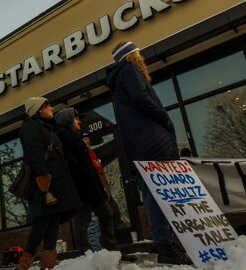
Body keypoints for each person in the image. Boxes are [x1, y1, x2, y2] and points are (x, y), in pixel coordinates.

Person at [106, 41, 192, 265]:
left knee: (156, 193)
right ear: (132, 55)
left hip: (141, 144)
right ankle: (166, 246)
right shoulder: (129, 70)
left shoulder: (119, 78)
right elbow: (142, 99)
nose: (141, 55)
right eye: (138, 52)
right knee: (158, 195)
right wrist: (164, 118)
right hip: (152, 143)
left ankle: (168, 244)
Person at [55, 108, 134, 262]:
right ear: (68, 120)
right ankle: (86, 254)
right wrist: (84, 176)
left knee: (107, 214)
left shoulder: (77, 137)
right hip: (81, 190)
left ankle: (111, 250)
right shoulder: (63, 137)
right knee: (82, 222)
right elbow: (70, 163)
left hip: (93, 189)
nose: (79, 122)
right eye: (76, 119)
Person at [17, 97, 82, 270]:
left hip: (56, 182)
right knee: (42, 222)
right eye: (48, 106)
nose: (52, 108)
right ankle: (23, 265)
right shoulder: (31, 126)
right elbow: (34, 151)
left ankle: (49, 265)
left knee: (52, 221)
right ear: (39, 109)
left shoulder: (47, 128)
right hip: (45, 182)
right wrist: (42, 174)